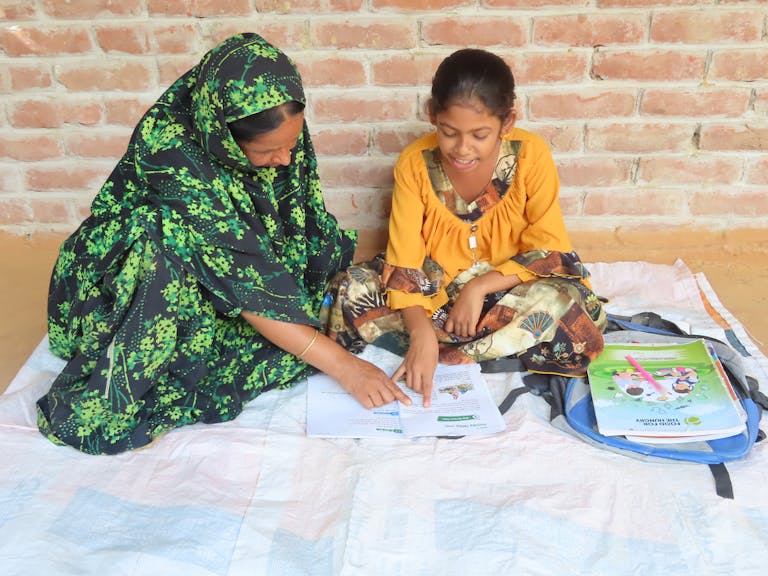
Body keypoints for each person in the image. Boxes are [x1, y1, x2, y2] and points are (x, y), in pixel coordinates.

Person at [37, 33, 410, 455]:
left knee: (312, 314)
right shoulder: (172, 154)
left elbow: (287, 213)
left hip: (222, 254)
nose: (287, 159)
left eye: (293, 142)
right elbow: (243, 282)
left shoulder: (273, 115)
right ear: (224, 136)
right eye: (269, 150)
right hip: (141, 267)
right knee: (167, 253)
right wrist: (344, 368)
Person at [322, 48, 607, 406]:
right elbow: (405, 262)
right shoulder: (414, 163)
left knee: (561, 303)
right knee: (349, 289)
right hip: (434, 290)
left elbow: (548, 250)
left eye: (480, 135)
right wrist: (422, 331)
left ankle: (450, 347)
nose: (462, 149)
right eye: (449, 132)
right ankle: (457, 346)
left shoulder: (532, 155)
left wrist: (477, 289)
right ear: (432, 115)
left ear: (507, 123)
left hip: (507, 287)